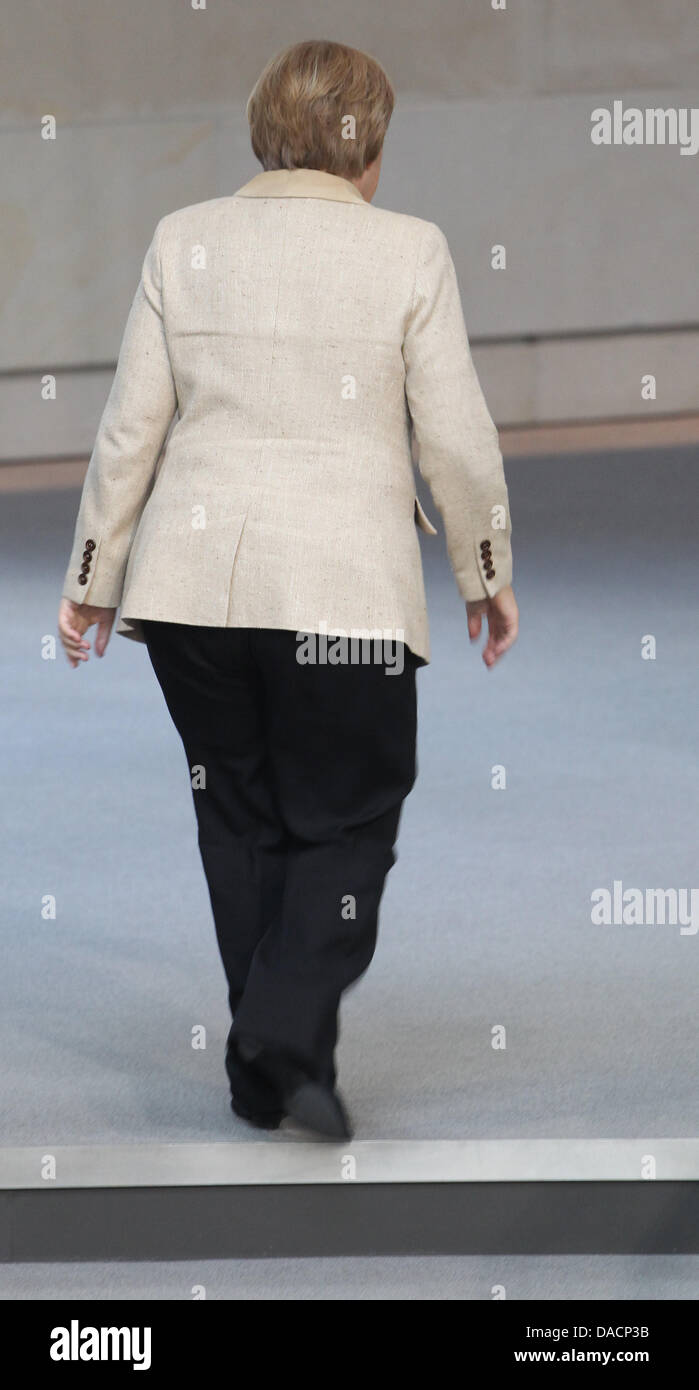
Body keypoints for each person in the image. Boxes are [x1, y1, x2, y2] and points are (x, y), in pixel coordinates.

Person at [58, 38, 518, 1140]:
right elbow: (453, 433)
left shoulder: (185, 241)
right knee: (348, 824)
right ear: (369, 152)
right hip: (344, 598)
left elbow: (133, 428)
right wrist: (485, 564)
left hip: (192, 598)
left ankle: (271, 1067)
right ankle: (278, 1033)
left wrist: (93, 576)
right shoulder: (409, 251)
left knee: (243, 820)